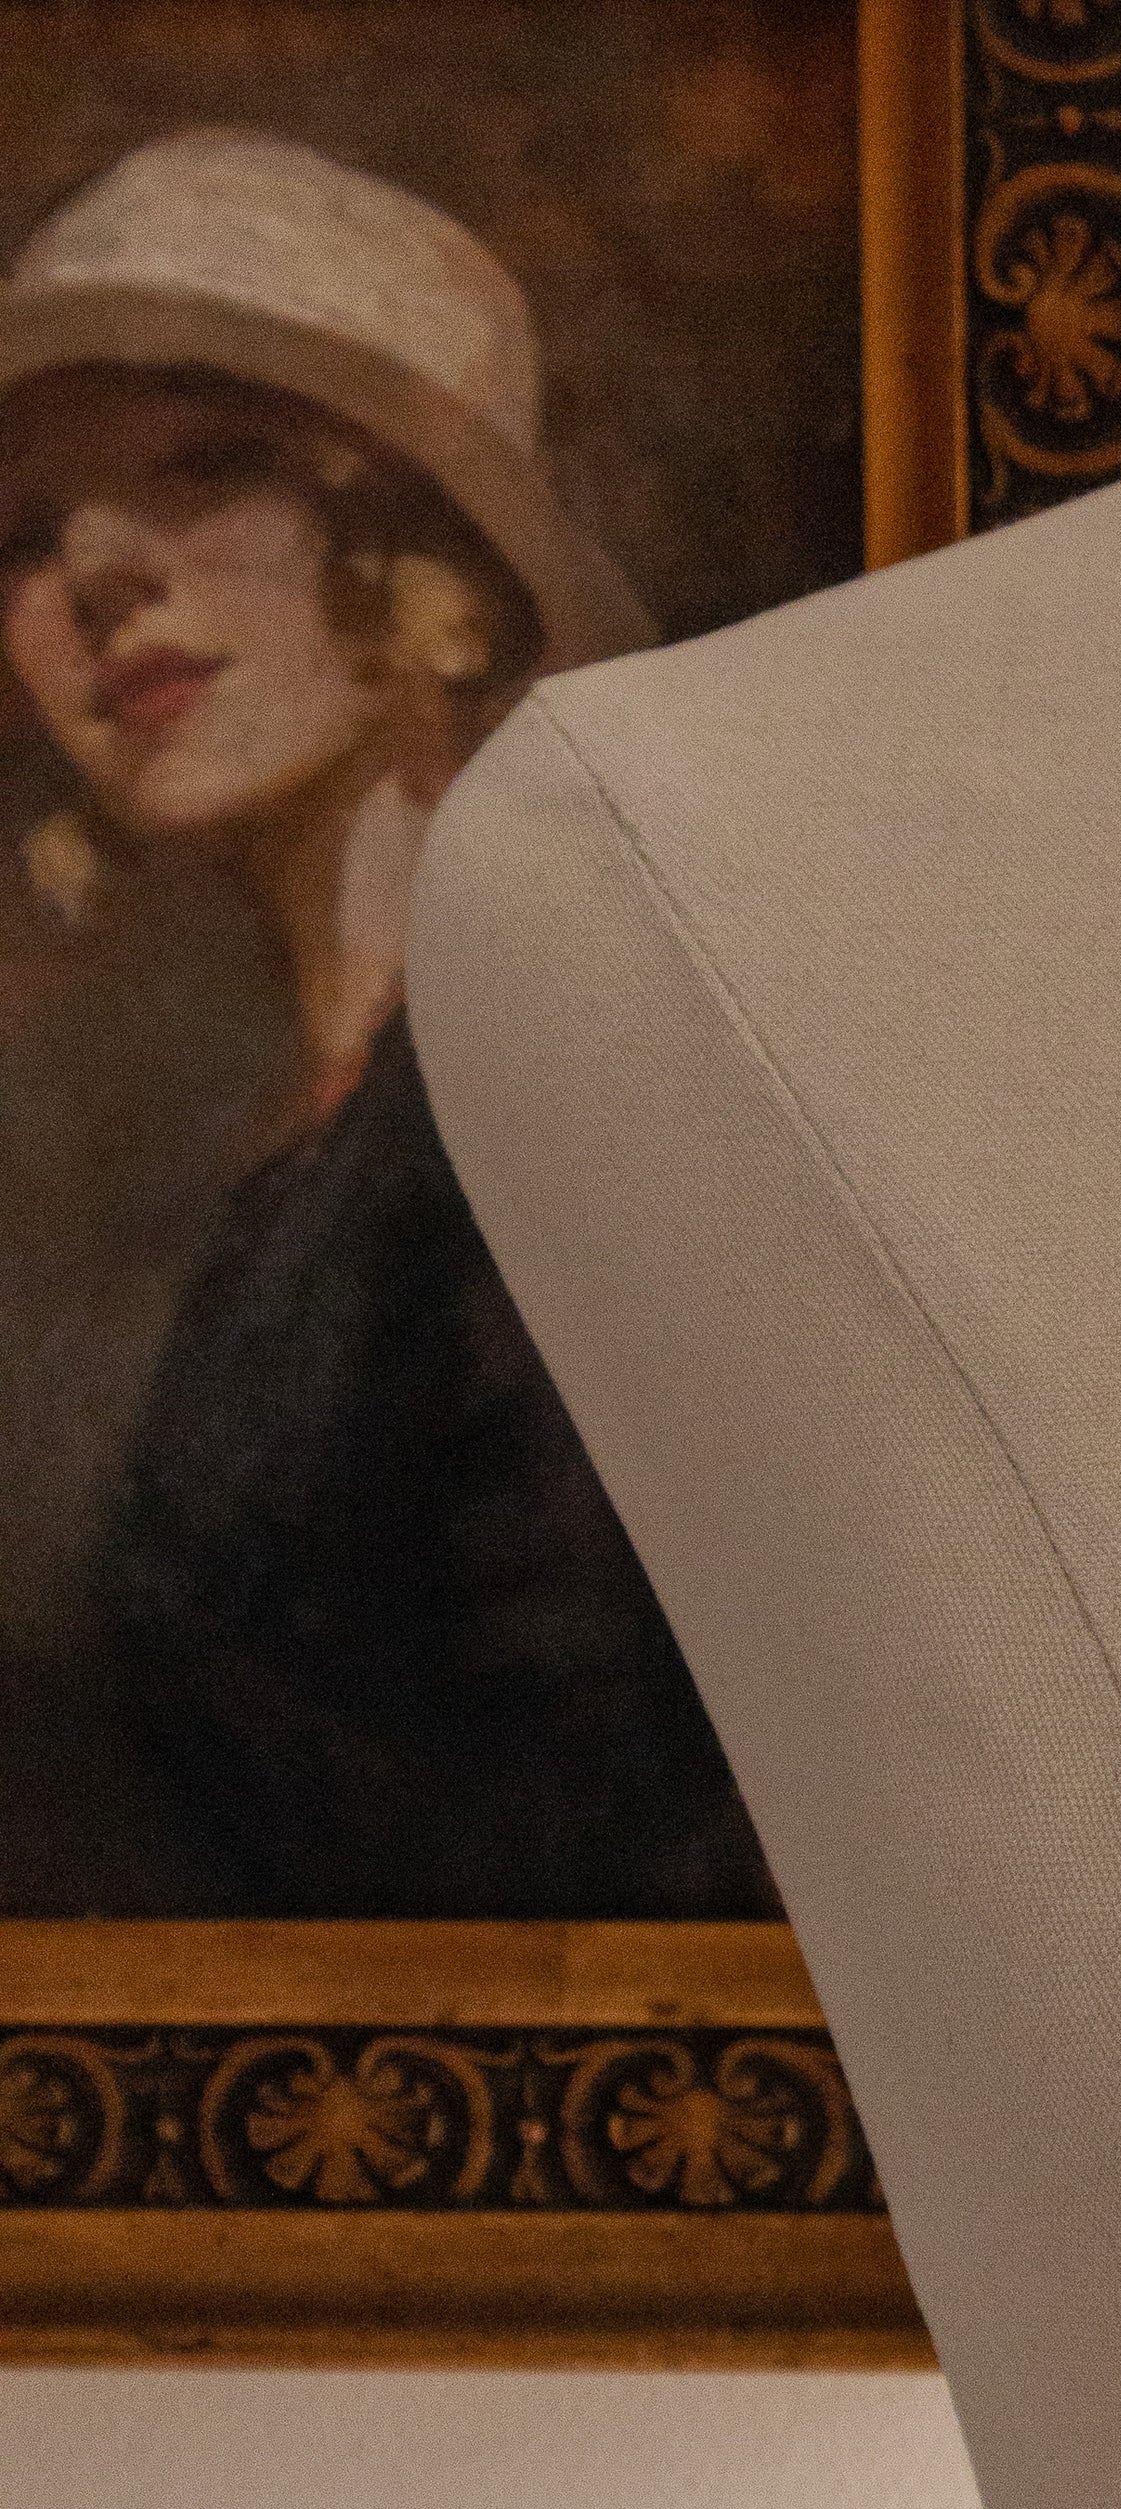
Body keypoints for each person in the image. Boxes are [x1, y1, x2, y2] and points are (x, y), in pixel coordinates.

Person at [0, 129, 770, 1913]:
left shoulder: (577, 1091)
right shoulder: (247, 1147)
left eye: (208, 466)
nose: (98, 571)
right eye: (22, 533)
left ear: (427, 551)